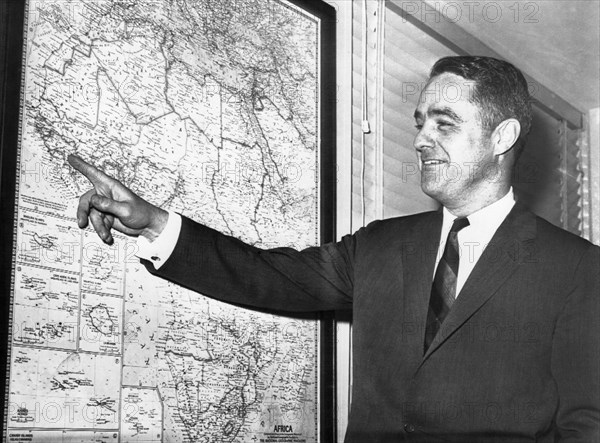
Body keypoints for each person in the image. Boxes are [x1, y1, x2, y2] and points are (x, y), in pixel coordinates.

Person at [69, 56, 600, 442]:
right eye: (419, 124)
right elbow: (264, 274)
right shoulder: (380, 246)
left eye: (445, 123)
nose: (420, 140)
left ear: (501, 137)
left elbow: (587, 423)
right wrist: (152, 221)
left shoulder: (578, 269)